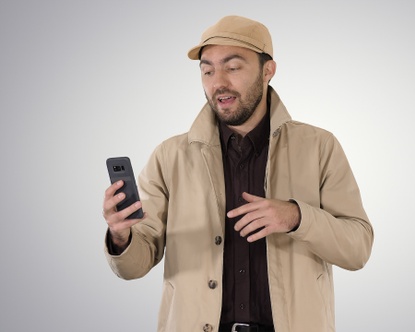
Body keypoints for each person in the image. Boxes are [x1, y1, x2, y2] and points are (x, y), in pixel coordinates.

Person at [102, 15, 374, 332]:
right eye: (207, 70)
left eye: (232, 67)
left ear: (268, 70)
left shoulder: (320, 147)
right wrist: (121, 236)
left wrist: (297, 217)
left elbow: (358, 249)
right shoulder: (170, 156)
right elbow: (136, 265)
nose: (218, 82)